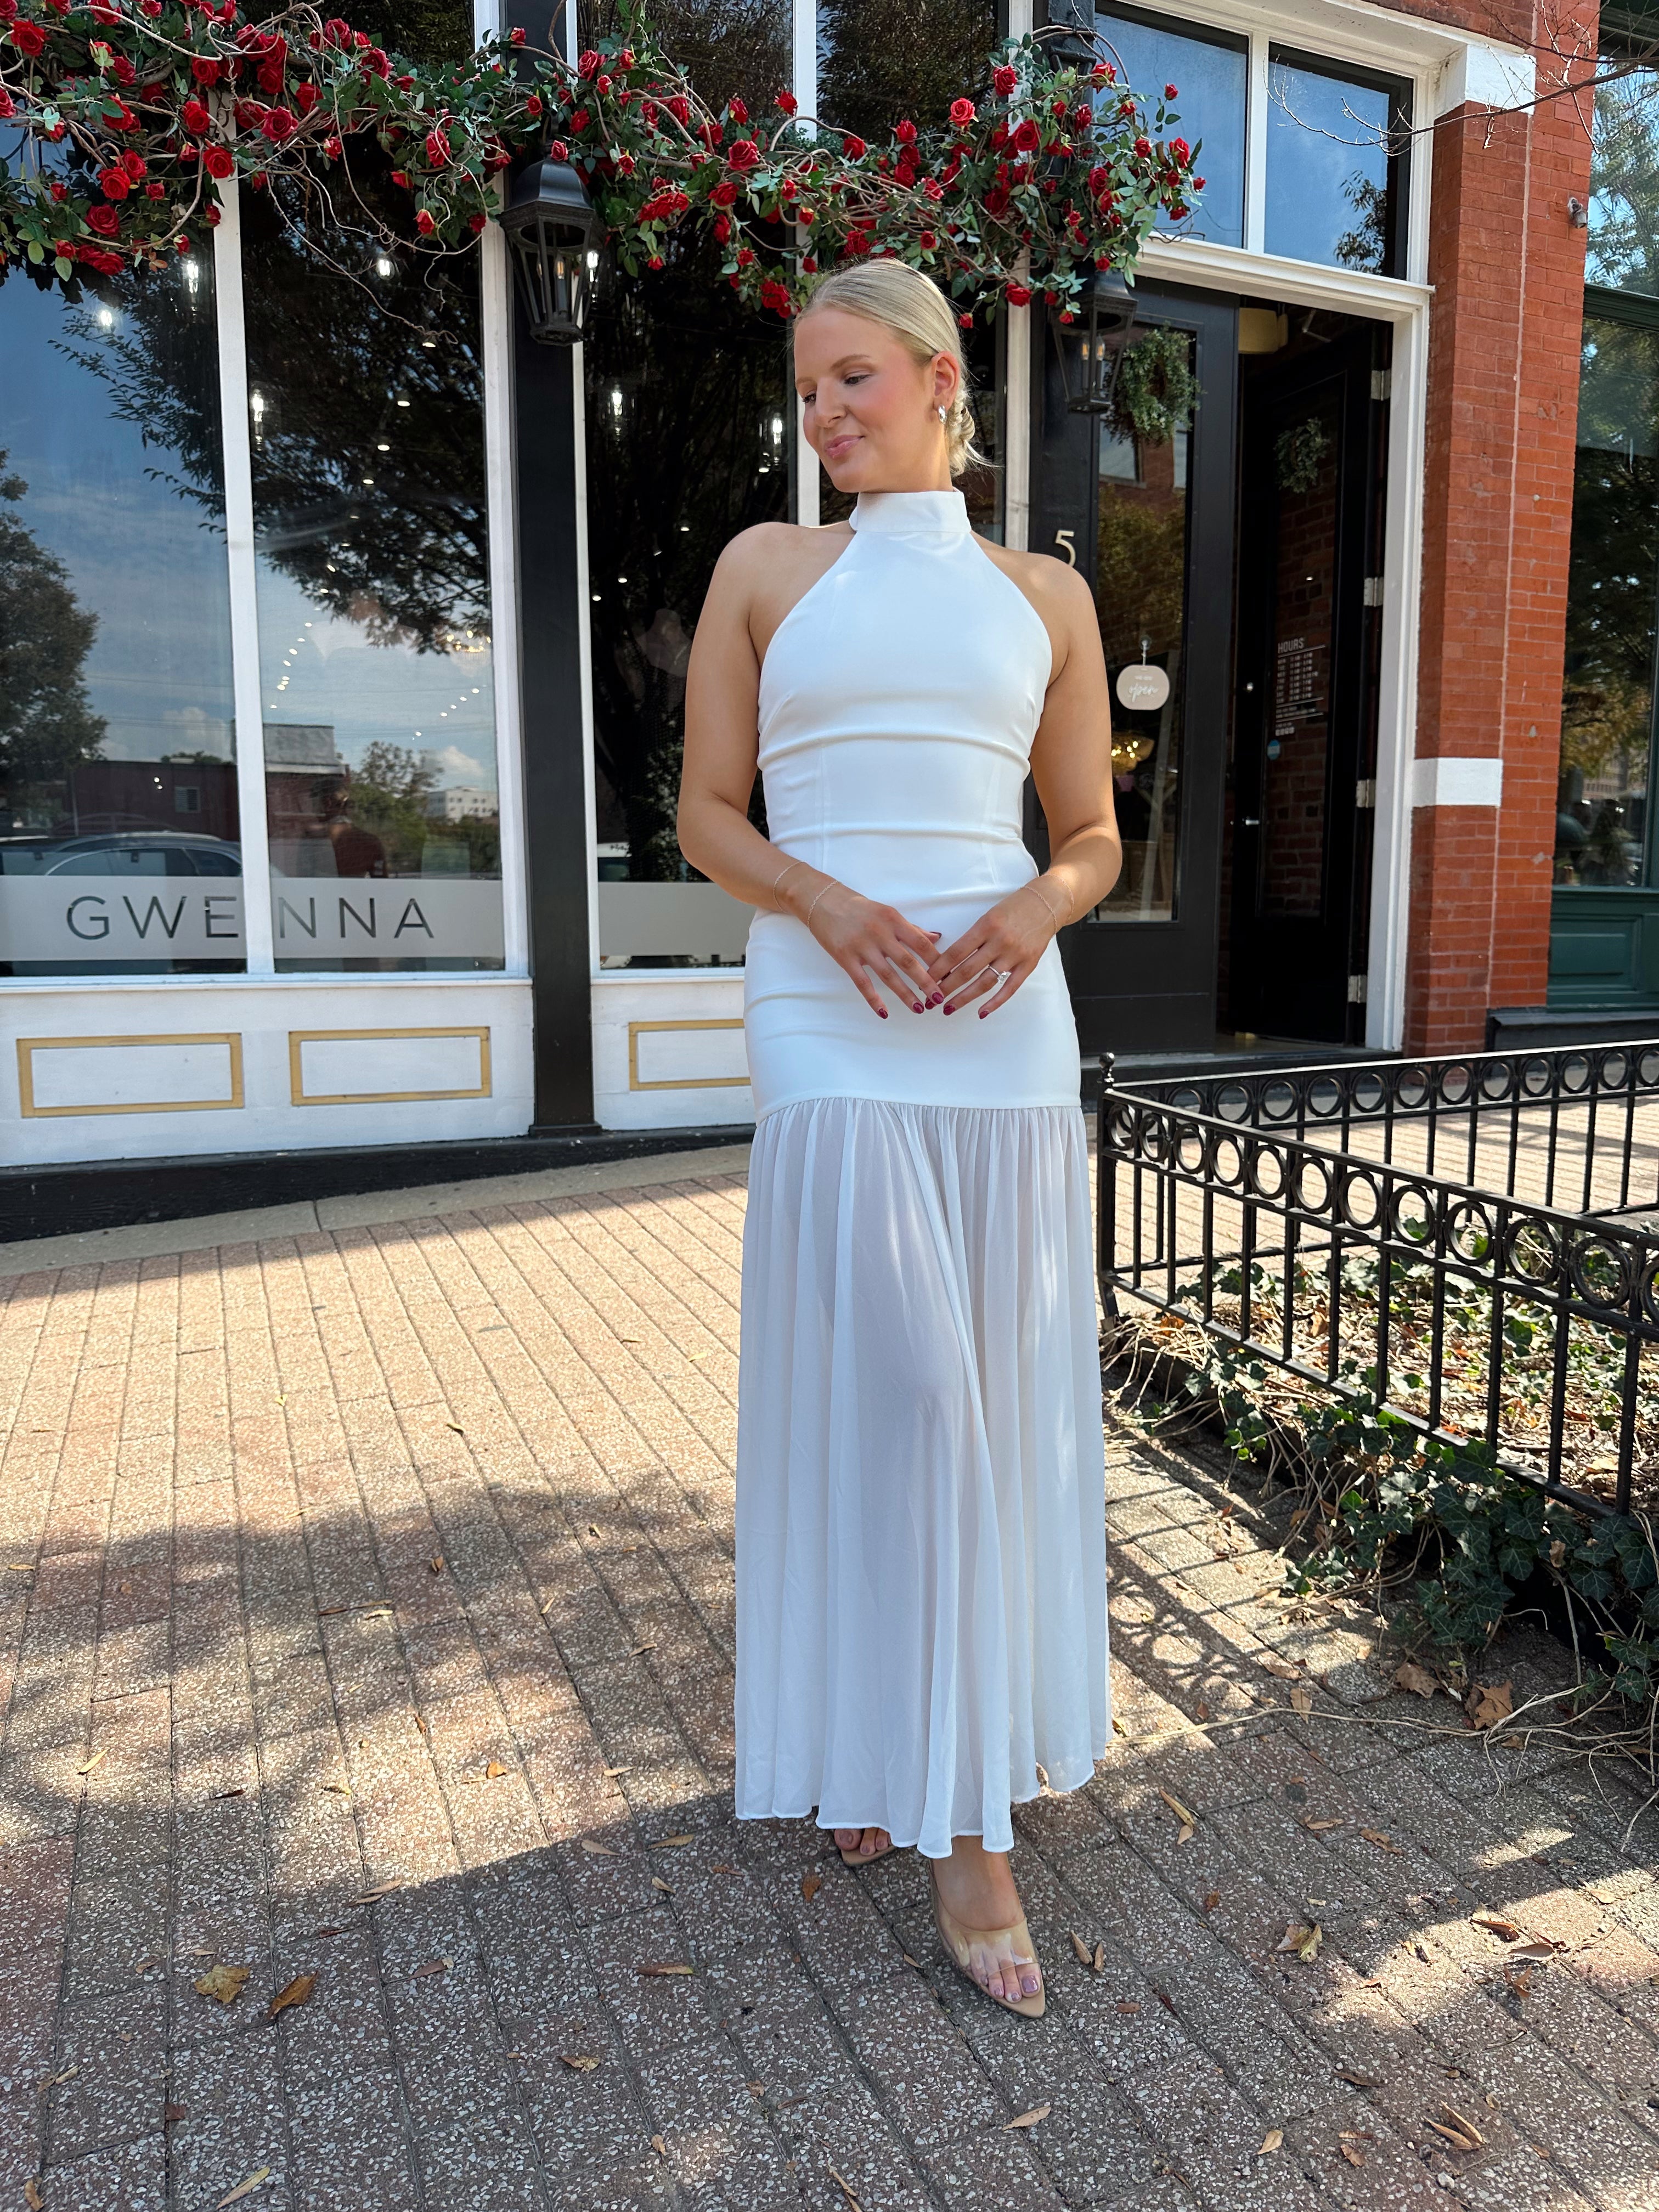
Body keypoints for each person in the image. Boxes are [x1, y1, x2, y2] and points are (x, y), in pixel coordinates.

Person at [678, 261, 1122, 2018]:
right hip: (823, 1001)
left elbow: (1088, 831)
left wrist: (1035, 914)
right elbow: (708, 813)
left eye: (853, 380)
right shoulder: (766, 572)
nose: (826, 416)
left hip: (1001, 1019)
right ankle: (962, 1834)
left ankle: (899, 1745)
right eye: (808, 395)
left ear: (944, 381)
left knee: (985, 1391)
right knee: (908, 1389)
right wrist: (827, 903)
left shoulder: (1048, 598)